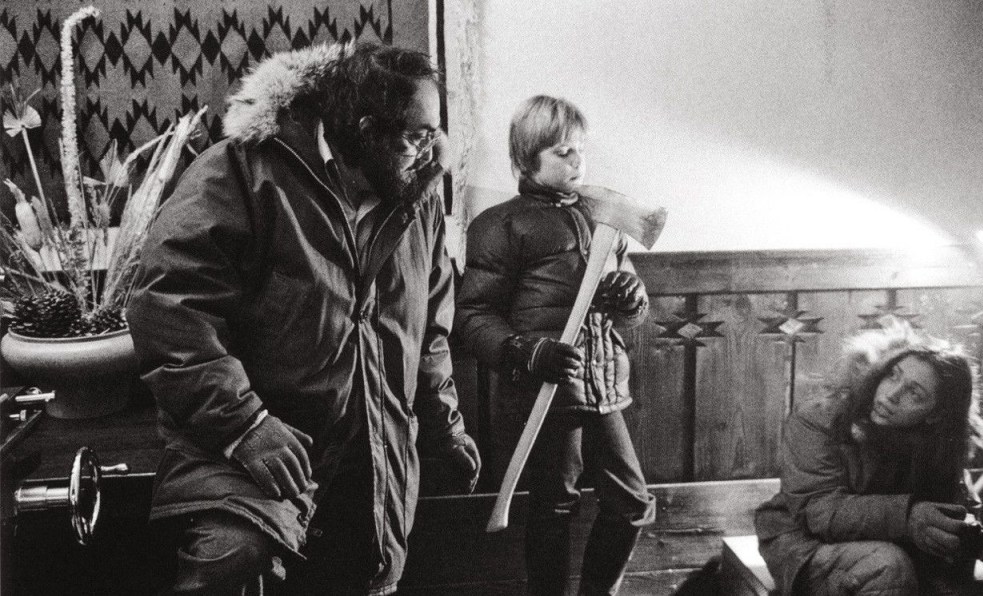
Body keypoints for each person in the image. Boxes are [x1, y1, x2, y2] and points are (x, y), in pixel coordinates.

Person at [126, 42, 480, 596]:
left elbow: (430, 329)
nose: (432, 151)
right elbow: (169, 306)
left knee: (366, 571)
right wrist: (244, 427)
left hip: (373, 450)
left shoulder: (418, 196)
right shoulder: (241, 173)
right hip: (249, 446)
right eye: (417, 135)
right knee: (233, 555)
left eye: (434, 134)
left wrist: (445, 425)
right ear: (366, 130)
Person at [455, 95, 657, 596]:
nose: (576, 161)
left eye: (580, 149)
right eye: (562, 152)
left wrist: (631, 298)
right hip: (544, 391)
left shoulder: (603, 218)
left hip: (602, 384)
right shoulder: (500, 226)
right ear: (528, 160)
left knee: (631, 503)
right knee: (555, 507)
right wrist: (525, 351)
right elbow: (472, 316)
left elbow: (632, 310)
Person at [754, 321, 983, 595]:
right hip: (803, 543)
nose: (891, 395)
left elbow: (956, 504)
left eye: (914, 393)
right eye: (893, 375)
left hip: (899, 543)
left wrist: (960, 536)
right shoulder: (819, 419)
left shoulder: (939, 443)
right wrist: (907, 517)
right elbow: (819, 511)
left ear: (935, 415)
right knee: (889, 568)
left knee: (982, 586)